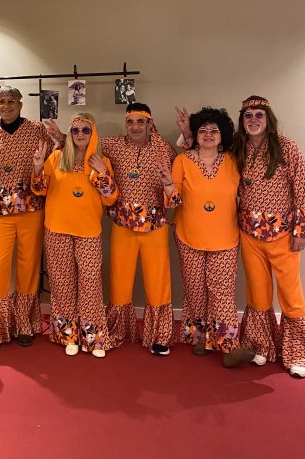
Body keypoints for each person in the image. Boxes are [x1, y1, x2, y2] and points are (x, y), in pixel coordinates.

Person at [0, 85, 60, 352]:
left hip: (32, 209)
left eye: (12, 101)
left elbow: (58, 158)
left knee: (28, 268)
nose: (7, 105)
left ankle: (24, 324)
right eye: (2, 102)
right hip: (1, 212)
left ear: (21, 105)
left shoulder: (37, 130)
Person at [163, 107, 248, 366]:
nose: (209, 135)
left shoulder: (235, 160)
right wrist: (168, 185)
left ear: (223, 135)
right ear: (195, 135)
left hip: (225, 238)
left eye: (214, 131)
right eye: (203, 130)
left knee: (222, 292)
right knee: (195, 291)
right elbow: (172, 202)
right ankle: (200, 338)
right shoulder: (182, 161)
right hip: (189, 236)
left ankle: (229, 346)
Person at [230, 95, 305, 377]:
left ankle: (296, 352)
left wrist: (300, 230)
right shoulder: (239, 148)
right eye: (248, 115)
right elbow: (206, 150)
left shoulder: (287, 148)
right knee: (258, 293)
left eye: (258, 115)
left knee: (291, 295)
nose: (253, 120)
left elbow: (302, 189)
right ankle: (261, 346)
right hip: (249, 233)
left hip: (283, 234)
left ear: (268, 119)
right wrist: (188, 133)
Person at [31, 113, 118, 357]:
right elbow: (39, 190)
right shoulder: (57, 157)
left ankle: (93, 338)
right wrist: (38, 167)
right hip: (57, 229)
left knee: (90, 285)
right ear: (70, 134)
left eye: (85, 130)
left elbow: (111, 198)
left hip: (88, 231)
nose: (80, 134)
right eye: (75, 130)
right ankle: (68, 335)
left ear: (93, 134)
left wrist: (102, 173)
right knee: (62, 285)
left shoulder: (101, 161)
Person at [100, 103, 179, 355]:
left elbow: (178, 186)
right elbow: (82, 146)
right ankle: (118, 331)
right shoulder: (112, 145)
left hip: (155, 226)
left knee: (158, 282)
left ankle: (159, 336)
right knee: (119, 280)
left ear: (149, 123)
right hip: (123, 224)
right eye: (131, 122)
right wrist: (59, 138)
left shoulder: (165, 149)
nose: (135, 127)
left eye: (140, 122)